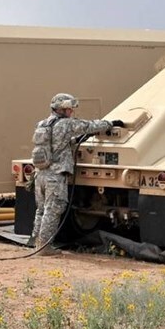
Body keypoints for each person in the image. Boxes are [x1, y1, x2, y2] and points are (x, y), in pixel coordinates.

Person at [29, 93, 125, 255]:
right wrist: (110, 124)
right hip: (55, 176)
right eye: (70, 109)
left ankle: (35, 242)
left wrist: (78, 139)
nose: (72, 112)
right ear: (63, 109)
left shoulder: (43, 124)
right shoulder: (66, 124)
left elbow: (56, 144)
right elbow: (89, 126)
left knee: (41, 210)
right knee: (53, 210)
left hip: (41, 174)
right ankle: (44, 248)